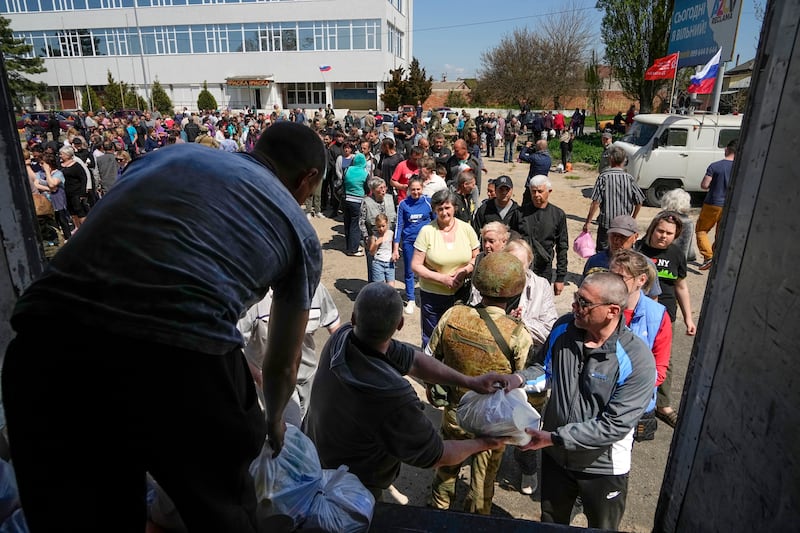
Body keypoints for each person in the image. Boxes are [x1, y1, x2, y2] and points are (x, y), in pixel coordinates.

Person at [3, 122, 326, 531]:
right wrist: (276, 421)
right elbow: (283, 362)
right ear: (308, 178)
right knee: (223, 513)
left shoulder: (166, 156)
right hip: (180, 365)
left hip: (43, 343)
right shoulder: (299, 231)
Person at [303, 283, 510, 501]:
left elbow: (412, 361)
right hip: (351, 487)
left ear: (354, 318)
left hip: (314, 456)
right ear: (400, 324)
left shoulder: (342, 338)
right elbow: (437, 454)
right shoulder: (392, 396)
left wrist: (470, 381)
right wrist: (486, 443)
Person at [511, 273, 656, 530]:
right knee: (551, 523)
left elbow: (613, 426)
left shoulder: (637, 360)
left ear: (612, 310)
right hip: (556, 457)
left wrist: (554, 437)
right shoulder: (563, 328)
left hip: (602, 468)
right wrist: (515, 380)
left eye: (584, 303)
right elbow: (544, 370)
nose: (574, 306)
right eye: (577, 298)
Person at [428, 252, 532, 515]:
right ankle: (477, 518)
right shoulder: (518, 334)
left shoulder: (453, 315)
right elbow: (525, 384)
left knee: (446, 467)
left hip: (455, 412)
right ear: (515, 292)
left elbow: (430, 358)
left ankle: (438, 509)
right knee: (482, 481)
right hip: (494, 422)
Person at [237, 283, 340, 427]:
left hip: (308, 375)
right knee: (291, 427)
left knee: (306, 423)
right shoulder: (254, 298)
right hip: (274, 380)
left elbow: (334, 326)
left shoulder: (316, 290)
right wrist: (259, 378)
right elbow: (235, 346)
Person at [503, 238, 558, 496]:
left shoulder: (542, 286)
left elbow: (549, 327)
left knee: (528, 420)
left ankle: (527, 468)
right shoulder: (494, 279)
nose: (515, 269)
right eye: (510, 263)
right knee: (493, 414)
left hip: (531, 364)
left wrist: (522, 322)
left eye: (520, 264)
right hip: (499, 362)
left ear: (529, 263)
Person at [636, 211, 696, 428]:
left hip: (665, 317)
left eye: (670, 233)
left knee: (663, 361)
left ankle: (663, 404)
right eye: (660, 231)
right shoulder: (637, 250)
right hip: (637, 315)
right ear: (652, 229)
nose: (664, 236)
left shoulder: (677, 254)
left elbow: (681, 287)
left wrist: (688, 318)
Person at [609, 250, 672, 432]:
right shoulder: (599, 305)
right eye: (610, 275)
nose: (613, 282)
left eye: (621, 277)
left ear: (641, 280)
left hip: (634, 405)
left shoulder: (658, 315)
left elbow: (659, 367)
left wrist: (630, 389)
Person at [412, 189, 480, 347]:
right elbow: (415, 265)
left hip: (461, 293)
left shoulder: (466, 229)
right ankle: (429, 368)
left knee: (458, 336)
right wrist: (442, 279)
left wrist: (464, 271)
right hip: (433, 295)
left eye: (447, 207)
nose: (444, 212)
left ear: (454, 207)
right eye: (440, 208)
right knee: (432, 336)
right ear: (434, 210)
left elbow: (477, 256)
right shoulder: (427, 231)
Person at [583, 145, 645, 250]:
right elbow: (639, 201)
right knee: (622, 251)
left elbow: (596, 202)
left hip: (607, 223)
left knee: (603, 252)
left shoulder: (603, 177)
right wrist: (632, 218)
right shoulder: (629, 178)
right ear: (624, 160)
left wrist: (588, 222)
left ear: (611, 159)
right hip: (624, 225)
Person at [517, 175, 569, 295]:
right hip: (521, 268)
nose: (536, 195)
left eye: (540, 191)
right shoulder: (520, 213)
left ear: (549, 191)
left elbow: (562, 247)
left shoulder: (558, 215)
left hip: (544, 269)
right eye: (533, 191)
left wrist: (560, 277)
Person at [393, 177, 433, 314]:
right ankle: (410, 299)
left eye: (418, 189)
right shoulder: (403, 204)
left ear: (422, 188)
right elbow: (399, 226)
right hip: (409, 242)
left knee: (428, 270)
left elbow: (436, 222)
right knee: (410, 271)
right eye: (413, 189)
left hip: (427, 242)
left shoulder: (429, 202)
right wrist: (395, 247)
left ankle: (426, 296)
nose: (416, 192)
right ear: (409, 189)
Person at [696, 139, 736, 270]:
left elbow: (704, 185)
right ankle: (717, 256)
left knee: (701, 230)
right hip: (730, 205)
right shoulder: (740, 167)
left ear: (727, 149)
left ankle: (708, 256)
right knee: (720, 233)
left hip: (713, 203)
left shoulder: (715, 166)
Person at [359, 177, 396, 280]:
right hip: (373, 239)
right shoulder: (366, 202)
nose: (383, 190)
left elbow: (395, 218)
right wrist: (367, 238)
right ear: (373, 190)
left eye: (384, 187)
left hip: (389, 239)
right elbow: (361, 222)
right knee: (373, 269)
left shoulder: (390, 198)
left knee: (389, 269)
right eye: (380, 188)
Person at [343, 152, 369, 257]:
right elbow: (367, 188)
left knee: (348, 223)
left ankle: (348, 245)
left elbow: (343, 183)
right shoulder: (364, 173)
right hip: (357, 201)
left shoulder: (347, 170)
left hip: (346, 199)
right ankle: (353, 249)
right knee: (355, 225)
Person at [660, 188, 697, 263]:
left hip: (658, 257)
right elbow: (686, 246)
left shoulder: (660, 217)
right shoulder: (687, 222)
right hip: (676, 261)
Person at [520, 139, 551, 208]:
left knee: (526, 203)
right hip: (543, 184)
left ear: (538, 147)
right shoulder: (549, 158)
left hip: (532, 184)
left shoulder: (535, 157)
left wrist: (526, 147)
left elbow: (522, 156)